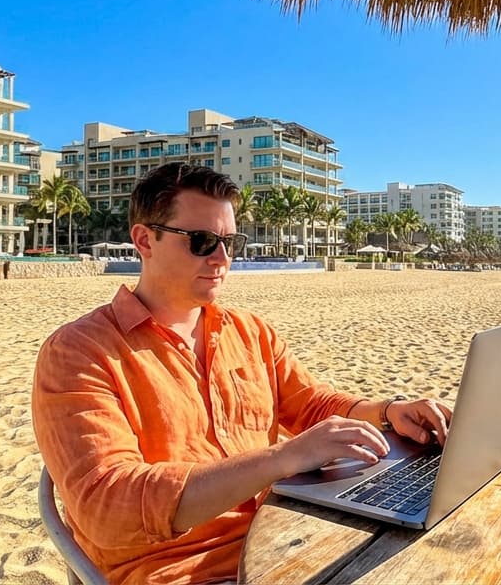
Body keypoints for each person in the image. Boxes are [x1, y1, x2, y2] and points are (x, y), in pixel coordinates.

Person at [32, 163, 452, 584]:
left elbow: (311, 405)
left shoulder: (249, 332)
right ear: (145, 240)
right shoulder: (80, 352)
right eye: (202, 241)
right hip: (179, 570)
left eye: (230, 242)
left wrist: (389, 410)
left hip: (288, 540)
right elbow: (107, 505)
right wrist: (283, 458)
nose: (222, 259)